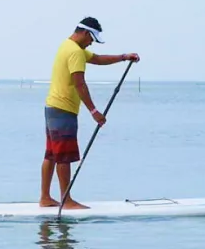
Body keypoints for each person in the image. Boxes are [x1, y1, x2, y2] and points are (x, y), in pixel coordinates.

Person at [40, 17, 139, 209]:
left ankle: (44, 198)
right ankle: (66, 200)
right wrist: (94, 111)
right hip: (63, 109)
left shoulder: (66, 45)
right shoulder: (75, 52)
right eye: (91, 38)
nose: (91, 43)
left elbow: (98, 59)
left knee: (51, 154)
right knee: (63, 156)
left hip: (51, 107)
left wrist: (123, 57)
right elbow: (79, 83)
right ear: (85, 33)